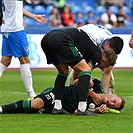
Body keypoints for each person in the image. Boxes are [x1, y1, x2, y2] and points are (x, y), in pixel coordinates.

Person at [41, 26, 118, 115]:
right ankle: (82, 108)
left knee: (63, 72)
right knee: (85, 71)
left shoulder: (90, 51)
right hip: (61, 39)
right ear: (104, 60)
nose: (102, 69)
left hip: (47, 38)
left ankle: (57, 107)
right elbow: (84, 74)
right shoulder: (98, 55)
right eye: (104, 66)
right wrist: (94, 94)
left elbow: (78, 76)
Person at [0, 0, 48, 99]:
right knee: (25, 60)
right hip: (15, 29)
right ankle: (31, 95)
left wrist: (33, 16)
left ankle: (31, 94)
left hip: (7, 28)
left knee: (5, 61)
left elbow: (18, 8)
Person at [0, 78, 125, 114]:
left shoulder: (99, 108)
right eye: (114, 100)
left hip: (61, 109)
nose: (111, 103)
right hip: (58, 94)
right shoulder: (97, 85)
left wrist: (94, 110)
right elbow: (78, 82)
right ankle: (2, 109)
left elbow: (77, 111)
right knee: (35, 104)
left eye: (114, 105)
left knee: (31, 111)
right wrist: (93, 94)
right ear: (113, 94)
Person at [68, 24, 124, 95]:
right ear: (107, 44)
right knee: (76, 76)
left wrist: (104, 95)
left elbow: (107, 73)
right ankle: (71, 95)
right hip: (79, 43)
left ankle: (107, 100)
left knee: (110, 80)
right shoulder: (93, 39)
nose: (110, 54)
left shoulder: (112, 47)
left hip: (90, 43)